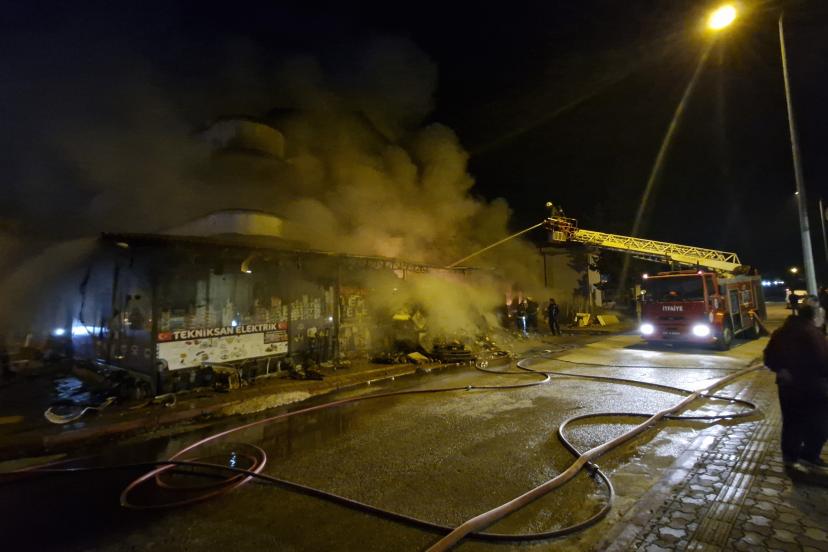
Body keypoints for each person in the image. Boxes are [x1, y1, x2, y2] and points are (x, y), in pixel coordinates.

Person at [763, 295, 828, 472]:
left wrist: (781, 369)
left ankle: (790, 457)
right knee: (819, 423)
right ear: (814, 317)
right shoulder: (813, 334)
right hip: (812, 387)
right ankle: (810, 455)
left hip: (787, 387)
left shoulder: (781, 332)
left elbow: (768, 356)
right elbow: (822, 360)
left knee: (792, 423)